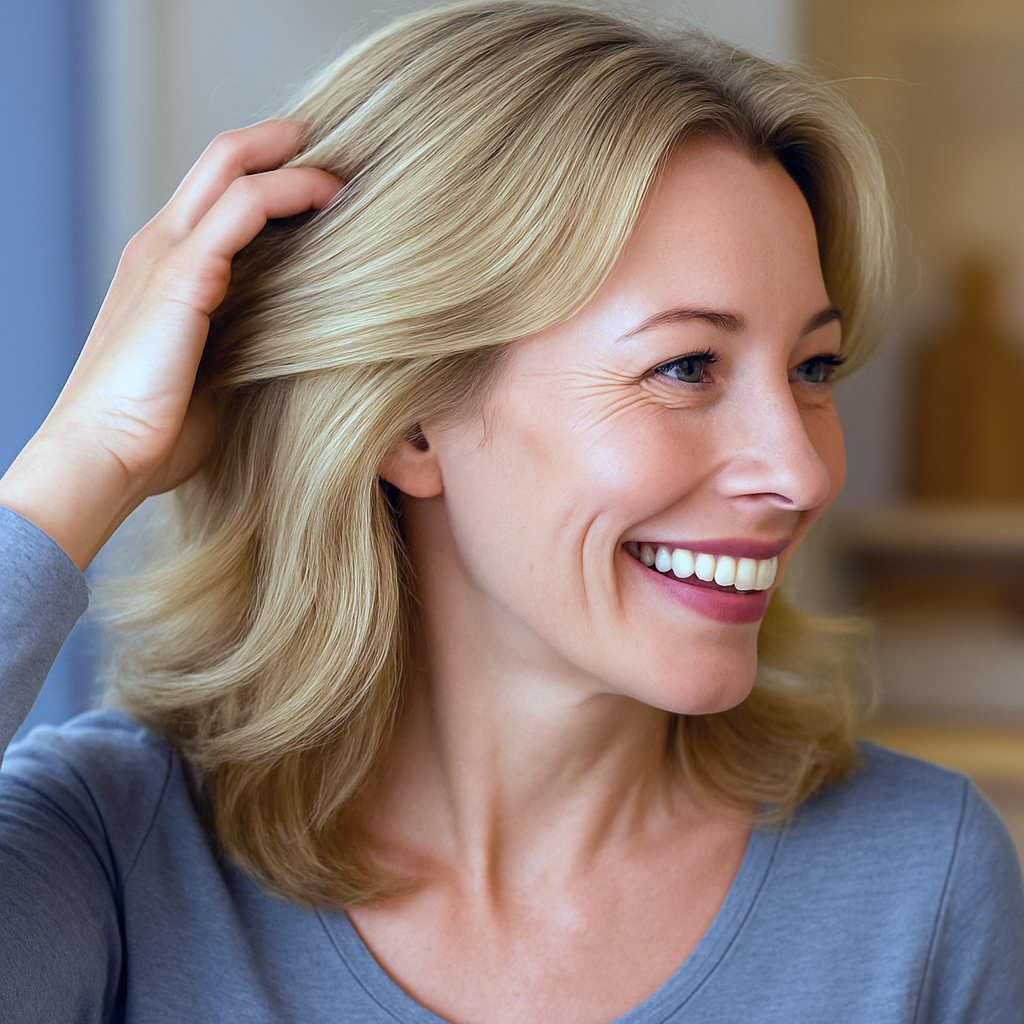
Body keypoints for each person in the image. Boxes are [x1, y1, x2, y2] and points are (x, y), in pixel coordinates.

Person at [1, 2, 1022, 1020]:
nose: (800, 473)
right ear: (408, 420)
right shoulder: (112, 854)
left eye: (812, 366)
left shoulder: (921, 886)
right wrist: (84, 459)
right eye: (685, 366)